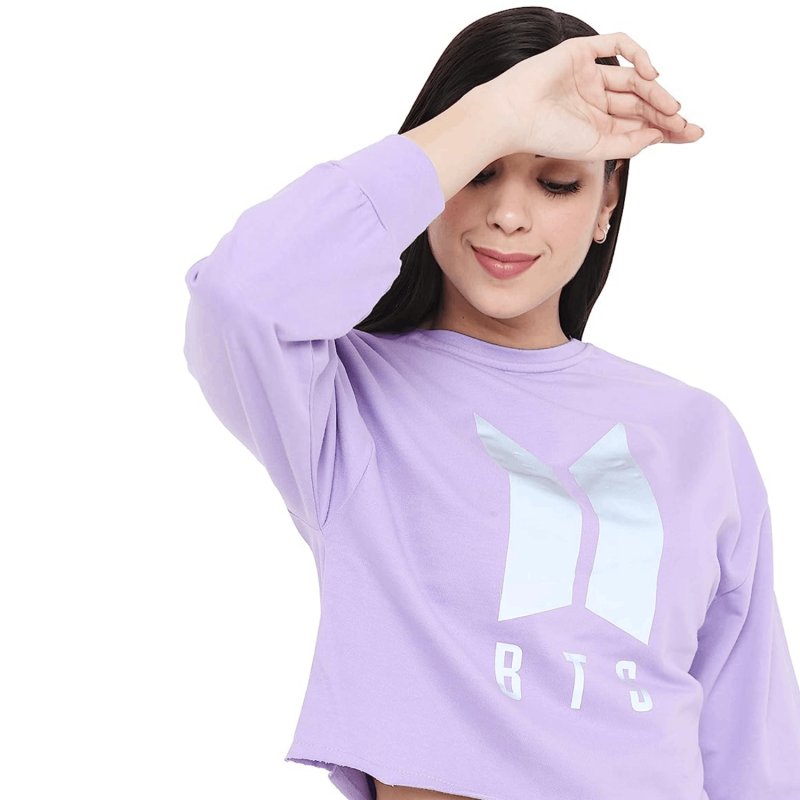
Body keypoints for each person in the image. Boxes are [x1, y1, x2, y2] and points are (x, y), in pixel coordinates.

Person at [182, 7, 800, 800]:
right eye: (478, 170)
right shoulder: (345, 399)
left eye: (556, 180)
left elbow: (755, 748)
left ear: (607, 203)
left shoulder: (696, 432)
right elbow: (240, 295)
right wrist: (494, 113)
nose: (509, 214)